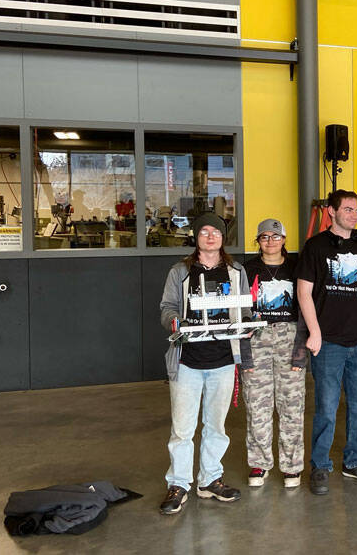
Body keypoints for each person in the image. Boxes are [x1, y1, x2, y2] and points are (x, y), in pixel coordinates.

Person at [158, 212, 253, 515]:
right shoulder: (180, 271)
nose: (210, 237)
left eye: (216, 232)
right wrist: (175, 322)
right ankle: (179, 484)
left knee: (216, 425)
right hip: (187, 361)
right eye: (204, 232)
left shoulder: (235, 271)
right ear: (196, 237)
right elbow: (167, 307)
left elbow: (244, 307)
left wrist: (248, 323)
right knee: (182, 429)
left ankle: (210, 479)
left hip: (223, 360)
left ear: (223, 238)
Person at [296, 189, 357, 495]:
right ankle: (320, 465)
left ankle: (354, 462)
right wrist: (314, 332)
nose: (354, 215)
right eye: (348, 209)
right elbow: (304, 292)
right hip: (328, 343)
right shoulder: (315, 246)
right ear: (331, 212)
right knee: (326, 406)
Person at [242, 218, 306, 489]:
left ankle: (292, 466)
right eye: (265, 237)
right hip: (256, 338)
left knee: (292, 405)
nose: (270, 241)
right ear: (258, 241)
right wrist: (244, 355)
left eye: (276, 236)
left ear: (284, 240)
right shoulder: (246, 270)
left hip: (289, 338)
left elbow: (305, 309)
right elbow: (239, 313)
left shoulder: (297, 267)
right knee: (257, 404)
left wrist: (300, 351)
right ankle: (260, 463)